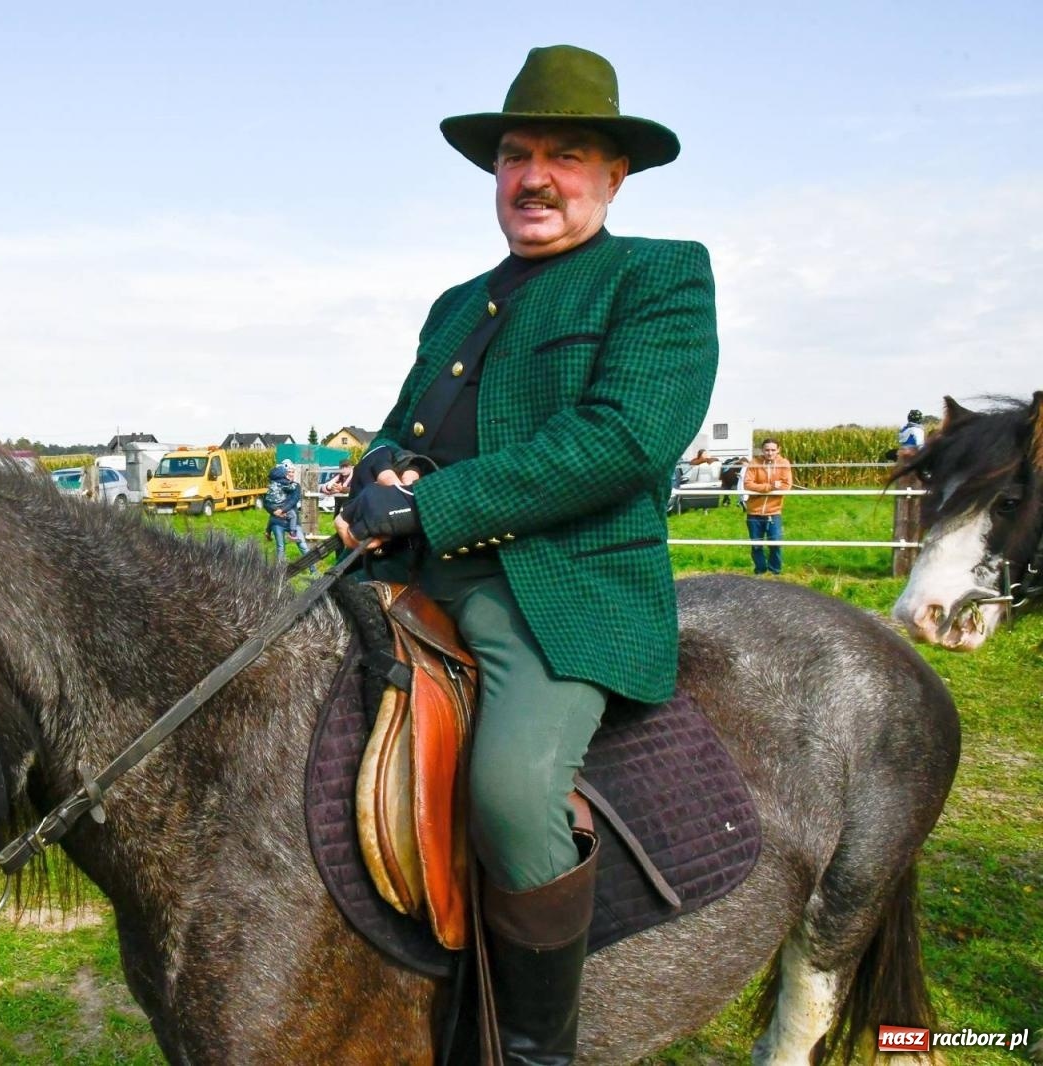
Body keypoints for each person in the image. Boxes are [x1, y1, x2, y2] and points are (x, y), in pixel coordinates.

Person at [335, 45, 717, 1062]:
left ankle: (534, 1045)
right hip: (409, 577)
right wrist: (374, 475)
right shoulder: (457, 302)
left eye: (566, 153)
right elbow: (401, 424)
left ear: (613, 175)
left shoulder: (659, 276)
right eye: (514, 154)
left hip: (557, 584)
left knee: (508, 788)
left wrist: (433, 506)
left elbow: (625, 437)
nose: (533, 176)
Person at [743, 438, 792, 576]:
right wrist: (770, 487)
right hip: (754, 511)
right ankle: (760, 570)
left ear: (778, 450)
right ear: (762, 450)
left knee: (775, 543)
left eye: (772, 450)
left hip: (774, 511)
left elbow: (786, 486)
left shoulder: (784, 463)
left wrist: (761, 488)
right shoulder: (754, 463)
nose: (769, 453)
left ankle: (775, 571)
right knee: (756, 545)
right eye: (766, 450)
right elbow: (748, 484)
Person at [264, 460, 311, 561]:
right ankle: (280, 573)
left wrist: (281, 510)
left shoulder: (295, 486)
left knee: (303, 547)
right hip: (277, 522)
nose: (291, 474)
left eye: (292, 472)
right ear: (284, 474)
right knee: (281, 548)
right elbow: (266, 503)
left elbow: (293, 501)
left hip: (293, 522)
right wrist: (274, 511)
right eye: (289, 472)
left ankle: (314, 571)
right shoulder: (275, 485)